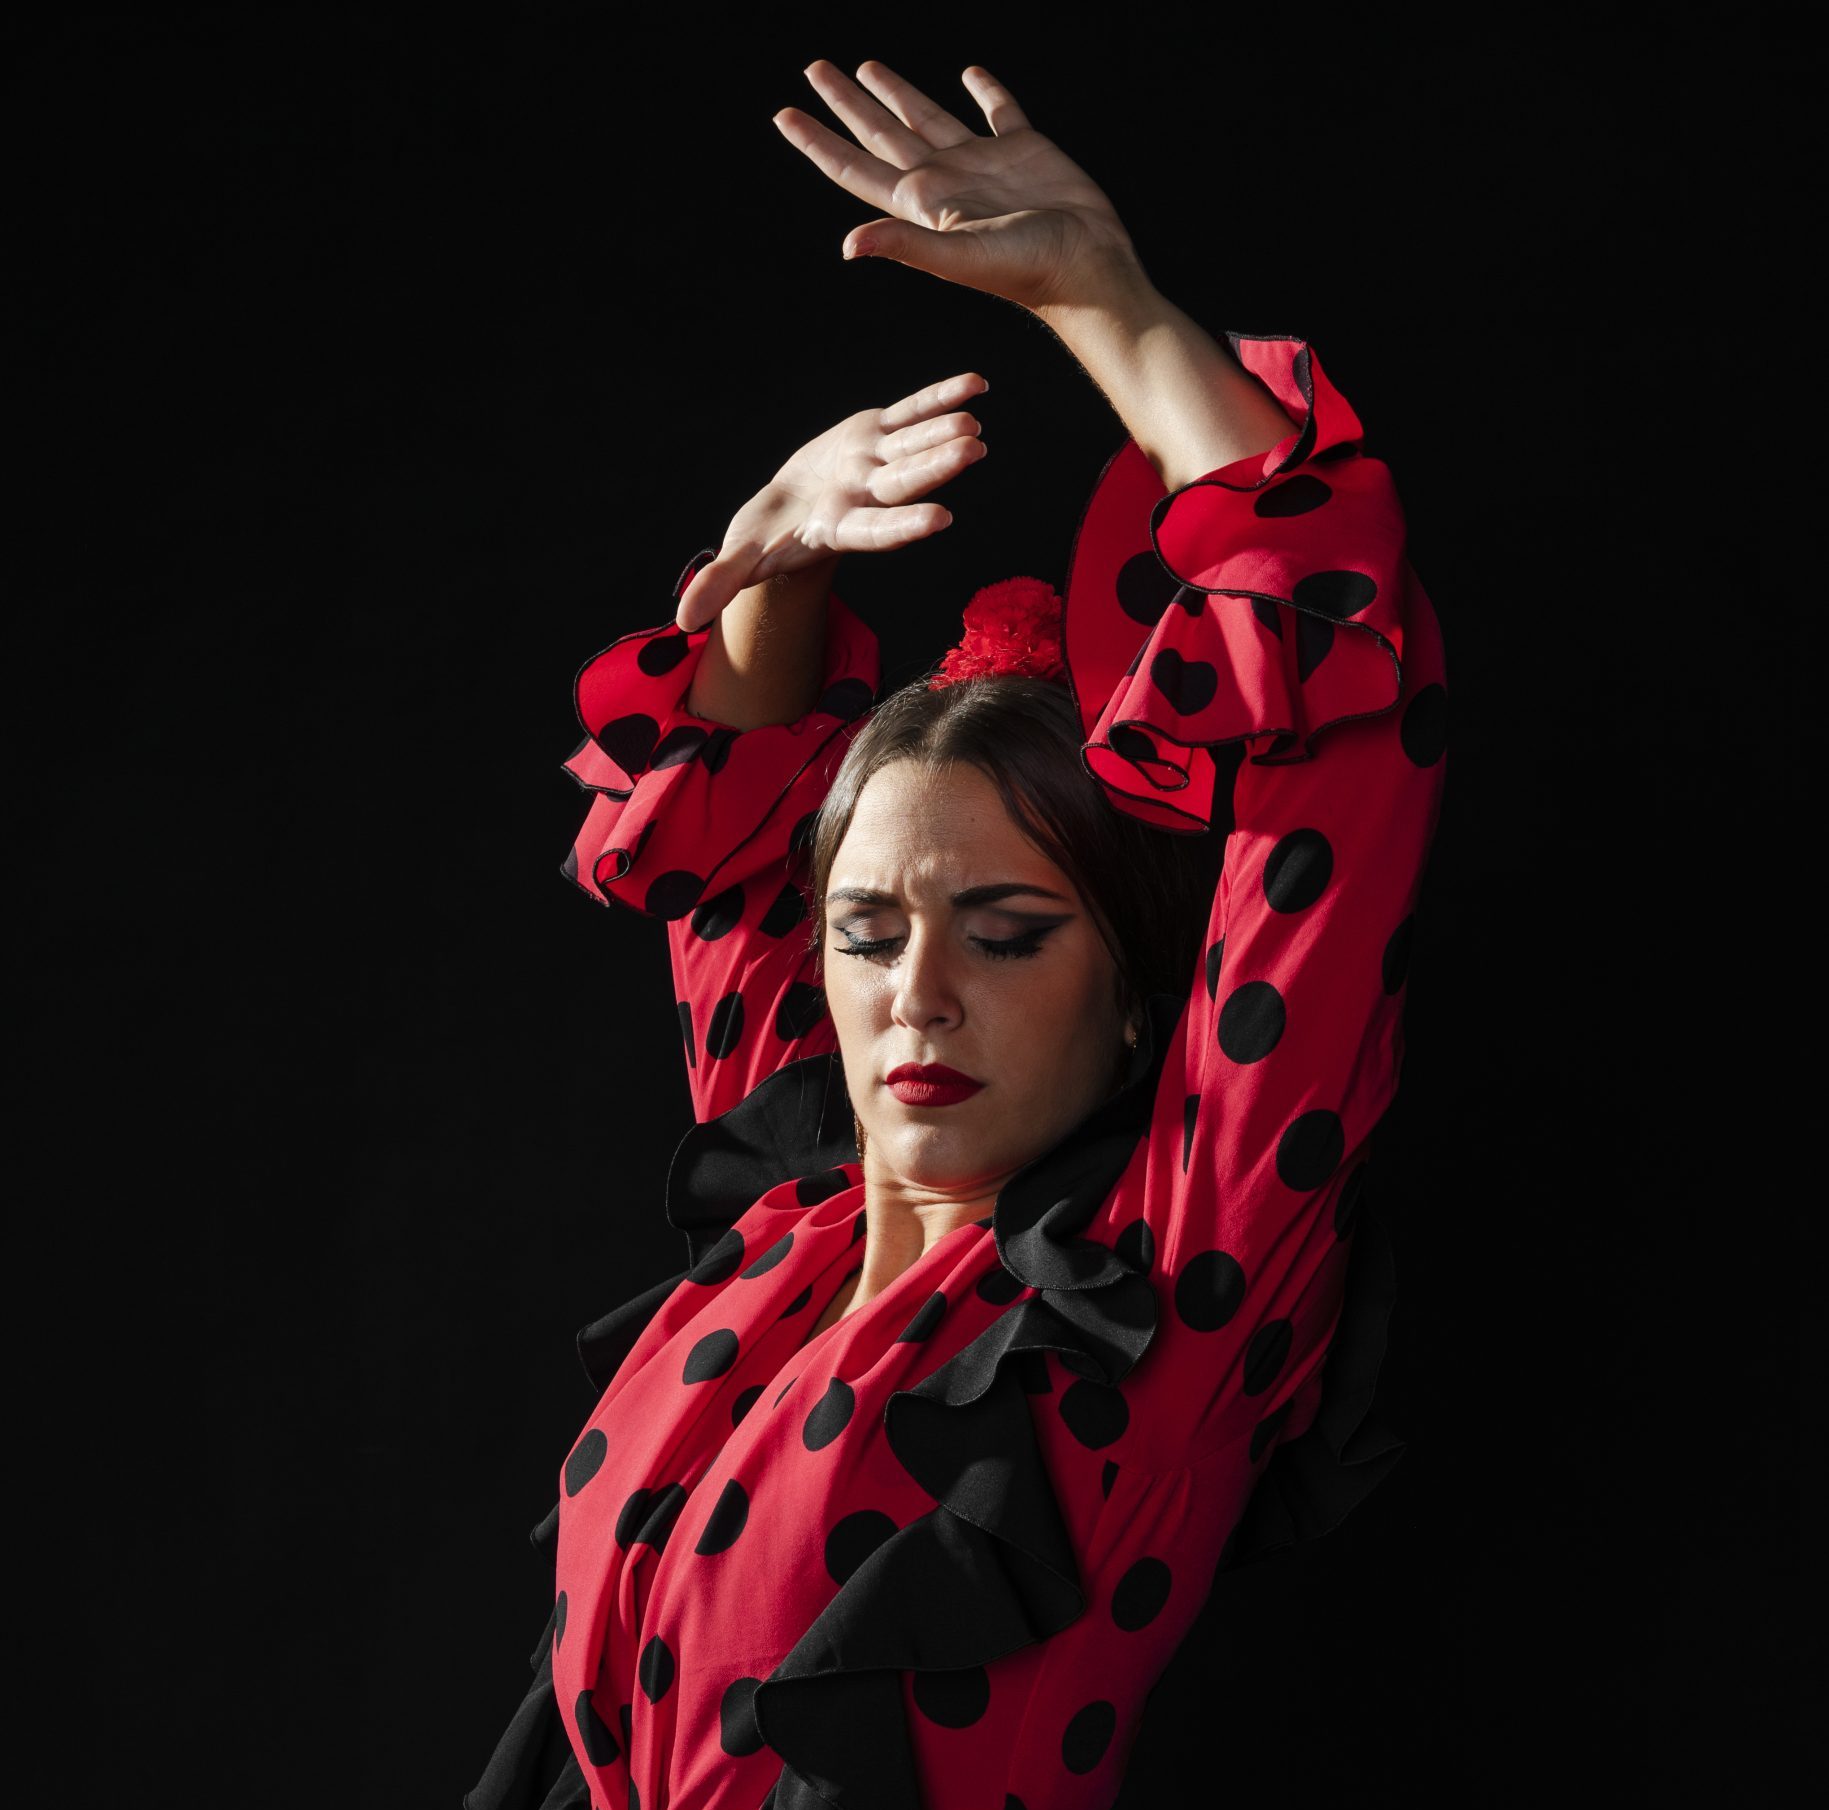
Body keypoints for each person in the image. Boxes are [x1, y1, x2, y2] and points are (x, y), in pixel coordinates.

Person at [466, 59, 1449, 1810]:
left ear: (1132, 992)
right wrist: (770, 557)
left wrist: (1105, 302)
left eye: (1004, 935)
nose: (913, 994)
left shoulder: (1160, 1300)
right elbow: (729, 848)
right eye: (863, 933)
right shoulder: (777, 1231)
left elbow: (1335, 736)